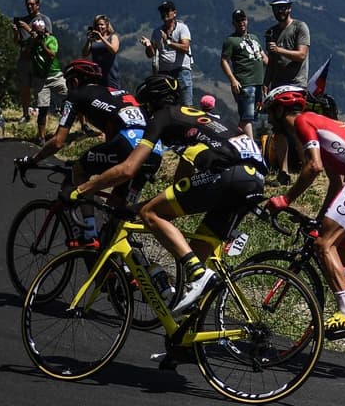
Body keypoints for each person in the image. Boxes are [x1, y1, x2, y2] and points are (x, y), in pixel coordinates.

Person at [66, 74, 267, 317]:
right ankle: (187, 342)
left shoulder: (162, 116)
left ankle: (198, 274)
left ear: (151, 103)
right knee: (195, 250)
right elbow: (182, 178)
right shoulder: (193, 116)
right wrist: (158, 205)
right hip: (255, 179)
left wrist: (83, 189)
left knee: (150, 213)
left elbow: (129, 168)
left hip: (229, 173)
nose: (144, 112)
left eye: (145, 107)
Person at [262, 85, 345, 337]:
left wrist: (285, 199)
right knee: (340, 248)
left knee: (324, 246)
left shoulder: (302, 121)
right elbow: (335, 183)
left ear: (279, 109)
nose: (268, 119)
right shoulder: (324, 123)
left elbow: (314, 167)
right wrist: (320, 220)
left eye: (269, 113)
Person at [15, 59, 163, 247]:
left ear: (75, 81)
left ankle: (88, 233)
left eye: (69, 83)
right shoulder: (116, 93)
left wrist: (32, 160)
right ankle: (128, 269)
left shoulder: (77, 94)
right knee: (116, 216)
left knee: (79, 170)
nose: (69, 88)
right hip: (155, 150)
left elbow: (58, 142)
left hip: (128, 145)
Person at [262, 0, 310, 186]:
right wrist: (266, 84)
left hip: (295, 85)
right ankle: (284, 171)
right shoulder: (271, 32)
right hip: (277, 87)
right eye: (277, 8)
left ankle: (307, 166)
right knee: (279, 129)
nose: (280, 11)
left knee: (296, 127)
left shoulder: (300, 27)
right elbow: (272, 63)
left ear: (289, 8)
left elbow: (301, 55)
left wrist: (279, 50)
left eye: (283, 7)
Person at [220, 9, 266, 140]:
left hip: (258, 83)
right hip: (245, 83)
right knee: (247, 118)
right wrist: (233, 80)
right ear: (233, 23)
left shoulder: (254, 38)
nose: (241, 23)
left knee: (251, 117)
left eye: (243, 19)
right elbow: (223, 61)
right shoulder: (231, 40)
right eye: (238, 20)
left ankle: (235, 141)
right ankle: (251, 148)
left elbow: (264, 59)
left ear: (247, 20)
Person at [140, 0, 193, 106]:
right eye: (162, 11)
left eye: (167, 11)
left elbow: (185, 48)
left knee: (186, 106)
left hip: (181, 71)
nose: (164, 14)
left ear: (174, 13)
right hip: (164, 73)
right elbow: (151, 54)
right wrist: (149, 46)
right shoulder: (157, 32)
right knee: (166, 105)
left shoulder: (182, 28)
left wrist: (168, 42)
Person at [13, 0, 52, 124]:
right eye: (27, 4)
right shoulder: (23, 21)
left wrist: (27, 28)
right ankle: (25, 113)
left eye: (32, 4)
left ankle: (42, 116)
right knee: (25, 88)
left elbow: (47, 39)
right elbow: (17, 42)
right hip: (24, 57)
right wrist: (16, 32)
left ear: (37, 5)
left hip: (38, 59)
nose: (29, 7)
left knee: (39, 89)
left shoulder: (44, 20)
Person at [28, 18, 68, 146]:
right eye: (35, 31)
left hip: (55, 75)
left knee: (72, 96)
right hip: (40, 79)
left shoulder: (51, 39)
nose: (37, 34)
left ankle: (82, 125)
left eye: (39, 31)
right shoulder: (32, 42)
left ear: (44, 30)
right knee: (42, 108)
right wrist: (33, 42)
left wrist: (41, 44)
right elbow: (26, 54)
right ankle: (41, 137)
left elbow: (51, 55)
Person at [82, 14, 120, 89]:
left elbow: (114, 50)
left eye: (102, 25)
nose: (99, 27)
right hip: (97, 74)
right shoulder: (93, 40)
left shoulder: (113, 37)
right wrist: (88, 40)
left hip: (110, 75)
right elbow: (84, 53)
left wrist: (101, 38)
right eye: (97, 25)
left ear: (107, 25)